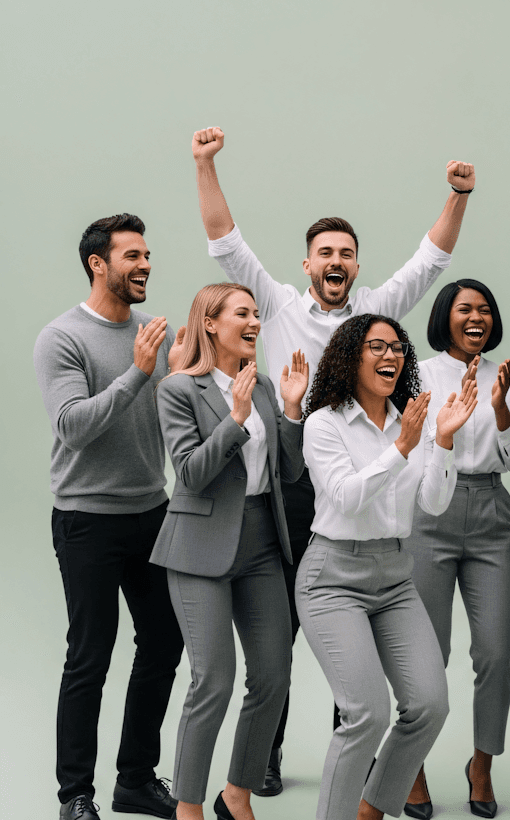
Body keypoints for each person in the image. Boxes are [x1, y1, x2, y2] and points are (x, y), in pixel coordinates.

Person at [191, 126, 476, 794]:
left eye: (347, 252)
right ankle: (265, 755)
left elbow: (427, 262)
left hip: (374, 482)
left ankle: (361, 756)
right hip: (299, 478)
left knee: (382, 674)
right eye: (325, 252)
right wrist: (204, 165)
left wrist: (457, 197)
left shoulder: (376, 313)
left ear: (355, 265)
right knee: (285, 629)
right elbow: (227, 243)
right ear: (307, 265)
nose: (336, 260)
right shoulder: (280, 305)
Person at [35, 214, 186, 820]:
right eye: (132, 256)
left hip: (153, 511)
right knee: (90, 655)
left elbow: (185, 403)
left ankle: (135, 779)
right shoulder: (62, 338)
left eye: (147, 254)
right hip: (86, 520)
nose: (145, 264)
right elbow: (72, 427)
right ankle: (76, 795)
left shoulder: (155, 331)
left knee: (163, 642)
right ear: (99, 264)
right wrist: (137, 372)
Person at [296, 313, 477, 820]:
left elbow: (435, 505)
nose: (391, 356)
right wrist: (402, 448)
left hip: (396, 578)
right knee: (366, 714)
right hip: (333, 578)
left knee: (429, 706)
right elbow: (346, 498)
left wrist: (441, 441)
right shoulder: (323, 424)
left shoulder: (412, 422)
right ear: (349, 358)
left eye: (398, 348)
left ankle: (371, 812)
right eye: (377, 347)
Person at [152, 283, 307, 820]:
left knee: (273, 674)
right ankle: (188, 806)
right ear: (211, 323)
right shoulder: (177, 388)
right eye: (243, 313)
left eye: (257, 314)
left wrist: (288, 411)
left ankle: (236, 795)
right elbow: (191, 473)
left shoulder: (264, 385)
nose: (255, 322)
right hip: (199, 547)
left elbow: (289, 472)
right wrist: (235, 419)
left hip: (263, 541)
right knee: (212, 680)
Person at [403, 279, 510, 819]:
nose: (475, 317)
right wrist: (447, 432)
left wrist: (502, 412)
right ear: (445, 317)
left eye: (484, 309)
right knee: (424, 655)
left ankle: (481, 765)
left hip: (490, 513)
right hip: (428, 513)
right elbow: (410, 447)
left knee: (497, 653)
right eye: (464, 309)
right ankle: (412, 766)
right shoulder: (418, 375)